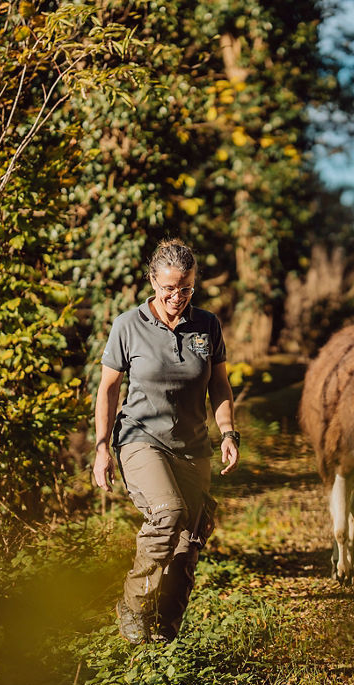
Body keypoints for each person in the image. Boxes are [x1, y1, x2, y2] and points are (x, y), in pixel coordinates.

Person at [92, 239, 241, 644]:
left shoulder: (206, 325)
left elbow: (220, 385)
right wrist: (102, 446)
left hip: (193, 448)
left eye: (187, 288)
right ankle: (133, 607)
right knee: (167, 513)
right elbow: (108, 389)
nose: (178, 296)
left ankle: (163, 641)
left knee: (188, 545)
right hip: (141, 439)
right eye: (169, 288)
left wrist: (228, 432)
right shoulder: (128, 325)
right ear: (153, 281)